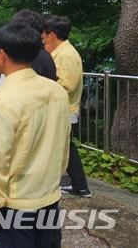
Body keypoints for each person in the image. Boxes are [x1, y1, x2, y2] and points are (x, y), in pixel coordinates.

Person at [0, 22, 70, 247]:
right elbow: (63, 144)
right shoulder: (56, 91)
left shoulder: (3, 101)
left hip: (16, 203)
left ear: (2, 54)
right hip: (49, 195)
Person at [42, 15, 92, 198]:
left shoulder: (66, 54)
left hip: (64, 110)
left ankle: (80, 186)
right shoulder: (62, 52)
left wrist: (42, 86)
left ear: (52, 34)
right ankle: (80, 186)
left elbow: (68, 84)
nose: (43, 39)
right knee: (65, 148)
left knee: (66, 149)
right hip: (61, 109)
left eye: (44, 35)